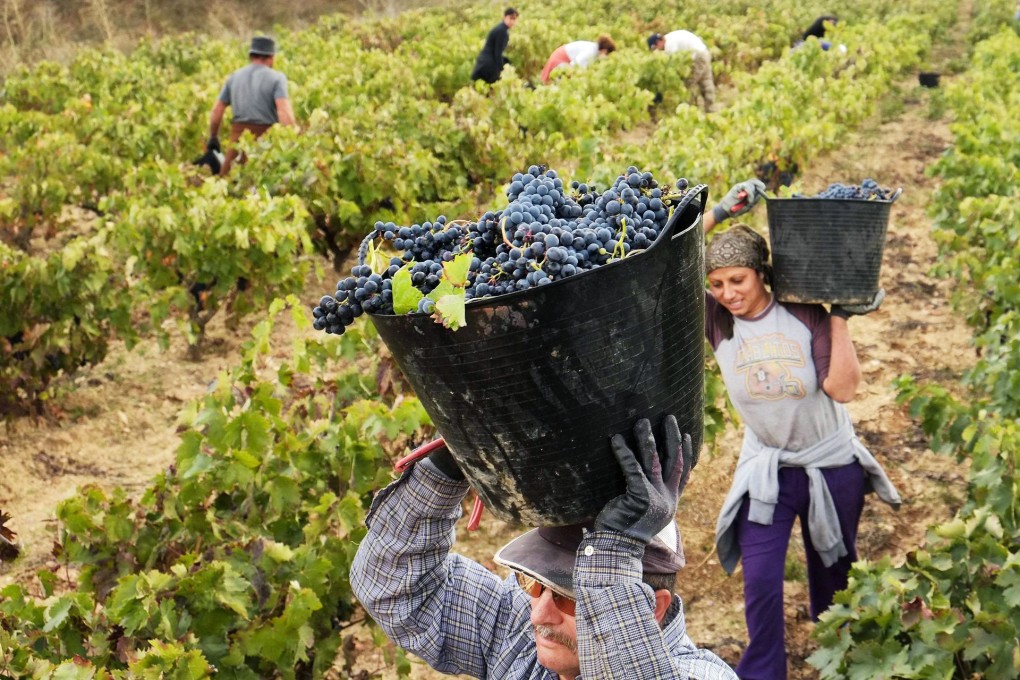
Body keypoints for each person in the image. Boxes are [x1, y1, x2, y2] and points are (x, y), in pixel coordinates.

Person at [350, 417, 738, 679]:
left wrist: (611, 555)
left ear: (653, 608)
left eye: (570, 598)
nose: (539, 613)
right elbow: (394, 590)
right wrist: (451, 466)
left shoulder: (702, 673)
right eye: (533, 584)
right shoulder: (518, 632)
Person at [700, 185, 902, 680]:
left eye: (738, 280)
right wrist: (722, 211)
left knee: (833, 577)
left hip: (829, 466)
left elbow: (844, 389)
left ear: (762, 275)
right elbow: (666, 260)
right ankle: (764, 672)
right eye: (717, 283)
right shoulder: (718, 323)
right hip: (767, 467)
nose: (728, 293)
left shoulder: (804, 313)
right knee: (762, 582)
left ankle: (842, 660)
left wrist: (840, 319)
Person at [206, 36, 296, 176]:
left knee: (228, 184)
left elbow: (217, 110)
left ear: (250, 56)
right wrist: (293, 142)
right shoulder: (277, 78)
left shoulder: (234, 77)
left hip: (238, 142)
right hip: (265, 143)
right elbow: (283, 112)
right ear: (271, 58)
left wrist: (213, 136)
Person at [647, 31, 716, 113]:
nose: (658, 50)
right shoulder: (670, 38)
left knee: (688, 84)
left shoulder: (670, 45)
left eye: (656, 48)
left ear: (659, 42)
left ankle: (689, 111)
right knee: (706, 81)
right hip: (704, 52)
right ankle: (711, 110)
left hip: (697, 58)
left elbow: (675, 65)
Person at [540, 35, 616, 84]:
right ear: (604, 51)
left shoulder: (593, 49)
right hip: (560, 60)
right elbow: (575, 65)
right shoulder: (591, 52)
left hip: (561, 58)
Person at [471, 7, 519, 84]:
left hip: (485, 61)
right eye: (511, 18)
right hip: (488, 64)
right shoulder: (502, 31)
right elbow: (498, 53)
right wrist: (501, 69)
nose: (512, 21)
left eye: (514, 19)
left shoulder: (501, 28)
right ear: (504, 17)